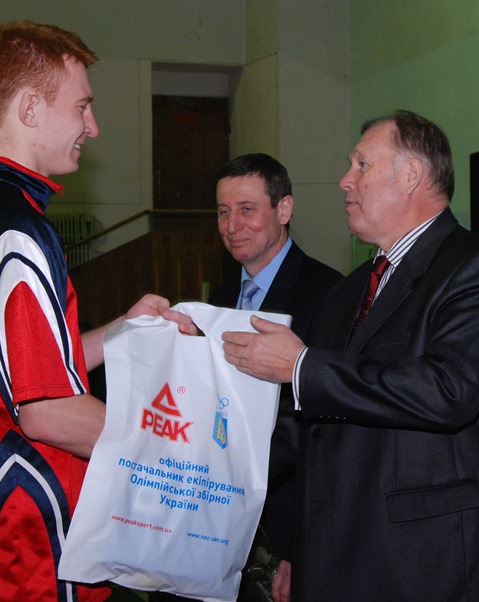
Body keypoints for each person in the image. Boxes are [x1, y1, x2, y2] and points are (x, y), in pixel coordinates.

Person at [206, 111, 479, 601]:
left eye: (362, 165)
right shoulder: (349, 290)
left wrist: (301, 366)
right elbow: (307, 430)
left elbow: (447, 391)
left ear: (412, 175)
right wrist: (198, 466)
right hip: (336, 553)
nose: (345, 180)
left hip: (425, 561)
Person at [0, 21, 177, 601]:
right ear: (31, 108)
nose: (92, 126)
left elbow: (15, 372)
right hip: (12, 551)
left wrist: (123, 329)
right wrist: (172, 453)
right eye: (82, 107)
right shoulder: (13, 232)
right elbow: (48, 413)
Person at [151, 154, 341, 602]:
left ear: (284, 209)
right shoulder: (218, 296)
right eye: (223, 211)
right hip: (208, 515)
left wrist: (301, 548)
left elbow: (325, 432)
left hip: (282, 527)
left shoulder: (329, 293)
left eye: (247, 209)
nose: (232, 225)